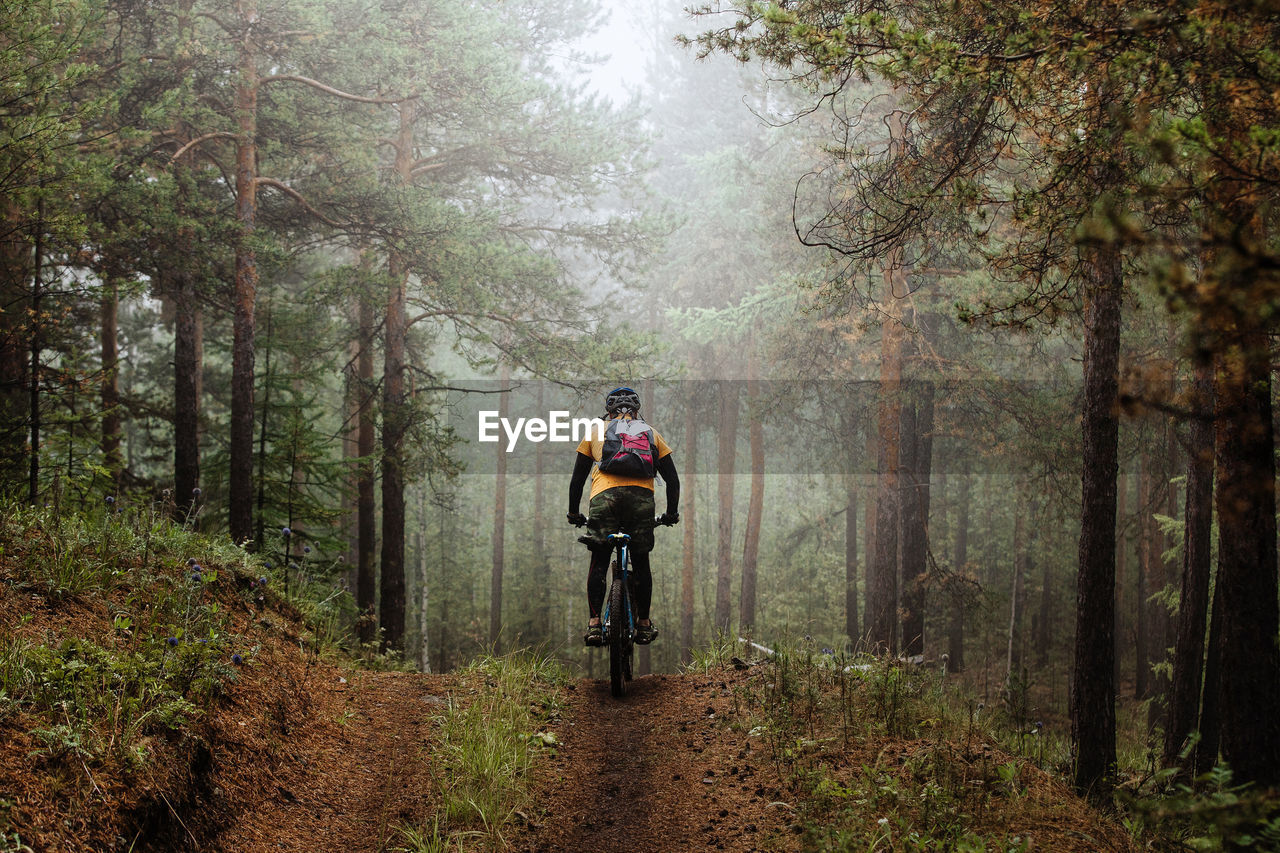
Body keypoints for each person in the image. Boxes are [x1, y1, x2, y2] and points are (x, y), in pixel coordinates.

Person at [567, 386, 679, 646]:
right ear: (637, 411)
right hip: (641, 500)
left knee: (600, 557)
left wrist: (574, 512)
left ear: (609, 411)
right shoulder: (651, 433)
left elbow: (577, 480)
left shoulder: (596, 431)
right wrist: (671, 513)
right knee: (640, 560)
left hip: (604, 499)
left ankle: (595, 625)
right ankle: (643, 625)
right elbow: (673, 481)